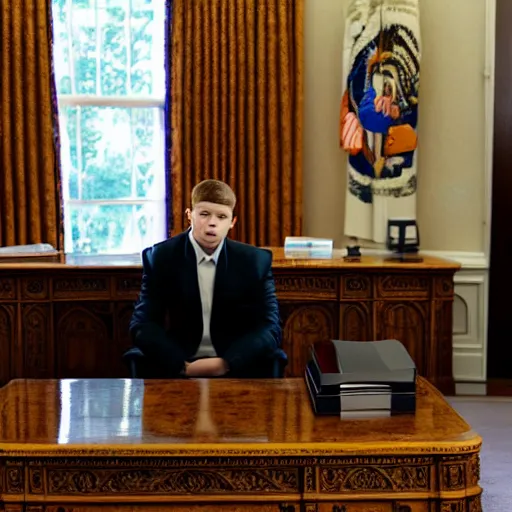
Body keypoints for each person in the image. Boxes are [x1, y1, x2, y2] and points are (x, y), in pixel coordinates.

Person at [129, 179, 286, 378]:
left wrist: (226, 363)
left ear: (232, 222)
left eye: (222, 216)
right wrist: (182, 365)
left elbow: (270, 327)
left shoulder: (255, 261)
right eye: (204, 214)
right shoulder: (161, 257)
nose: (213, 222)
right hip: (178, 364)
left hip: (236, 364)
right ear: (189, 215)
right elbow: (142, 324)